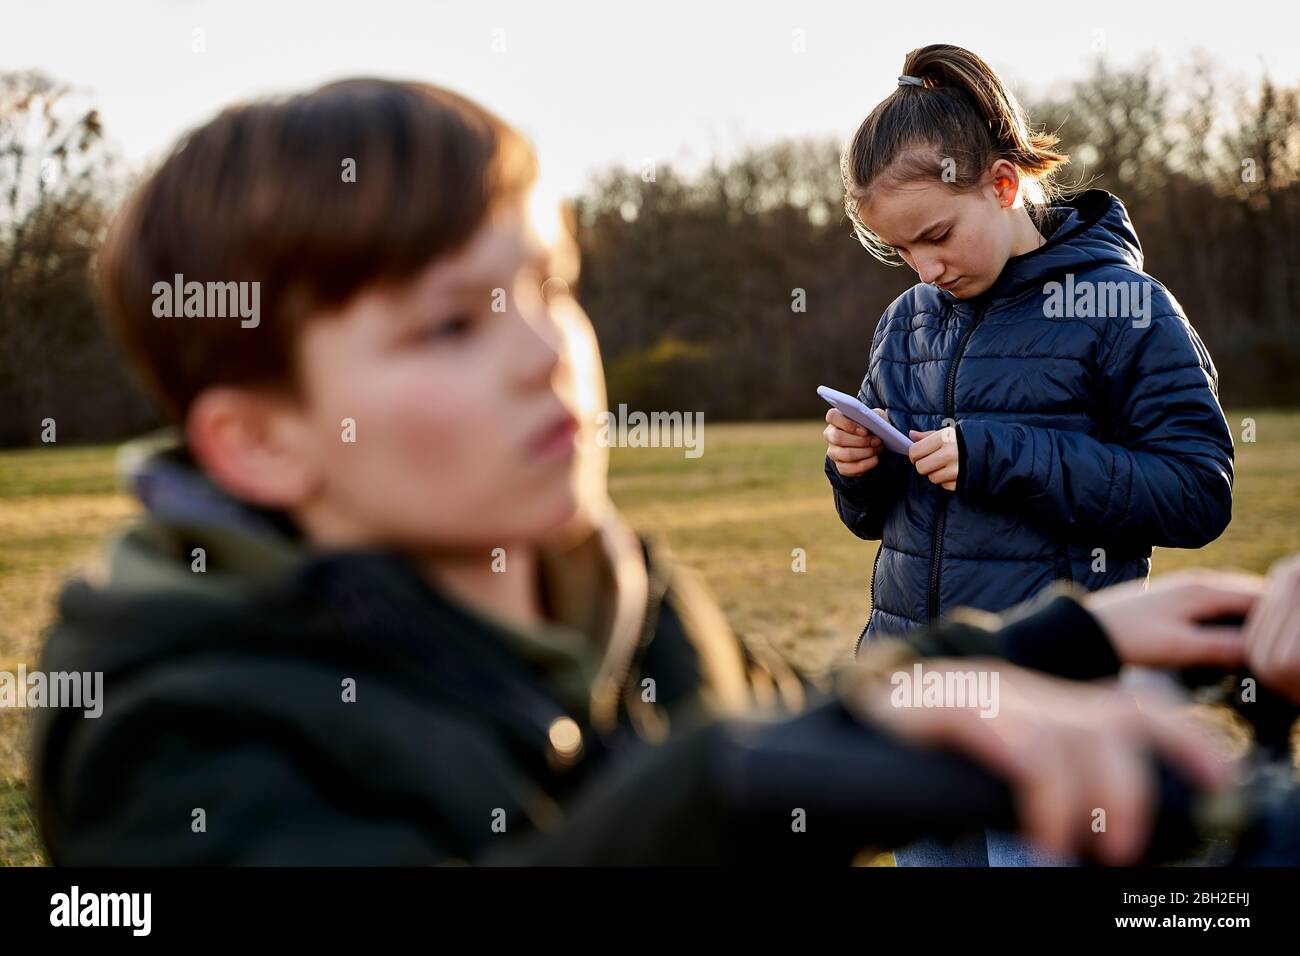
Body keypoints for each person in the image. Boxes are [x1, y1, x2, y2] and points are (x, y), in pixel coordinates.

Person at [30, 77, 1252, 866]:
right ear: (260, 441)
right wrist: (732, 780)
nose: (543, 357)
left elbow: (820, 712)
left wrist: (1075, 642)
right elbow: (739, 765)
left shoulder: (621, 598)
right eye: (453, 325)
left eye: (547, 289)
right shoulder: (178, 735)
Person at [821, 44, 1236, 864]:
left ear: (1004, 184)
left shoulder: (1124, 307)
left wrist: (1000, 454)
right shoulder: (908, 321)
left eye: (936, 236)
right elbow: (876, 525)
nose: (925, 269)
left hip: (1057, 706)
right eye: (900, 251)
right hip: (924, 699)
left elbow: (1197, 492)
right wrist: (856, 469)